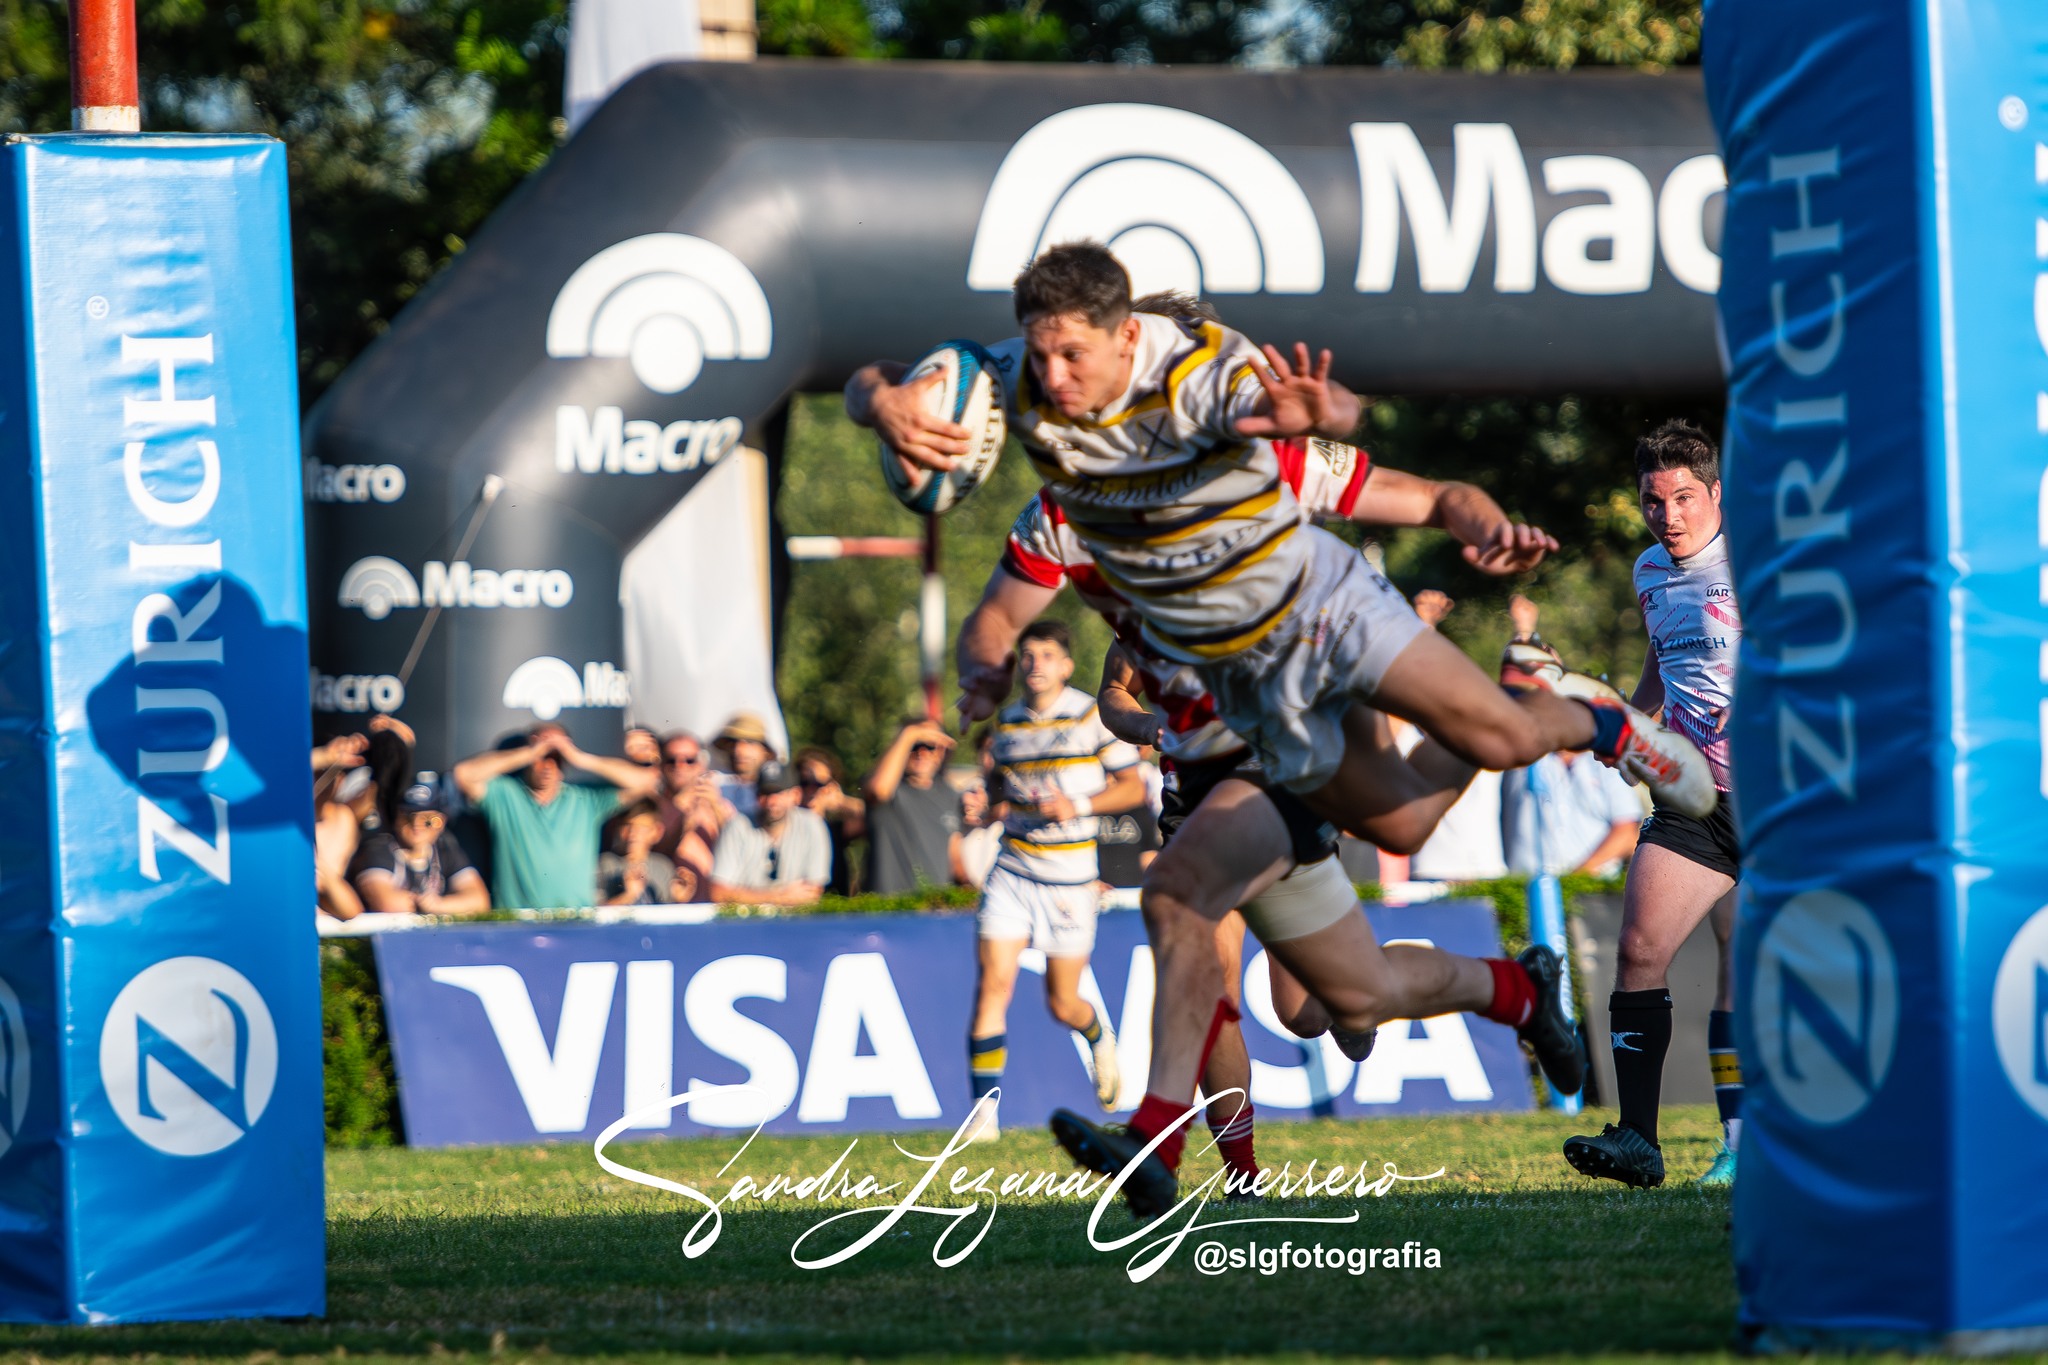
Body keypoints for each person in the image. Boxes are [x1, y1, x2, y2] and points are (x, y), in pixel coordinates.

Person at [1565, 419, 1745, 1190]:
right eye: (1652, 499)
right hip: (1692, 798)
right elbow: (1662, 653)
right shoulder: (1649, 570)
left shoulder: (1763, 560)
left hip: (1779, 795)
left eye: (1682, 497)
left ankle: (1743, 1146)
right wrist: (1626, 722)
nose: (1667, 515)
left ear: (1715, 494)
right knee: (1640, 951)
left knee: (1754, 969)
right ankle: (1639, 1139)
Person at [965, 619, 1146, 1140]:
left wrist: (1078, 804)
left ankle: (1097, 1037)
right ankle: (982, 1115)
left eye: (1047, 654)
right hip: (1013, 869)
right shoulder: (1008, 724)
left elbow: (1133, 787)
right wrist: (984, 808)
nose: (1035, 663)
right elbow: (1001, 791)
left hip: (1070, 879)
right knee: (992, 986)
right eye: (1028, 654)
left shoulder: (1091, 715)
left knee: (1061, 1002)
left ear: (1066, 665)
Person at [453, 723, 661, 910]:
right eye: (542, 757)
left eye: (556, 758)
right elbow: (463, 774)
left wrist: (580, 758)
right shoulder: (505, 795)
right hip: (518, 923)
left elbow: (646, 781)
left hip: (576, 922)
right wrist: (530, 752)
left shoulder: (585, 799)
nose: (548, 765)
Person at [348, 777, 490, 916]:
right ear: (396, 819)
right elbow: (387, 903)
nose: (417, 826)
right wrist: (427, 904)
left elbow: (480, 900)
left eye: (428, 821)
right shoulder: (379, 848)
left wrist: (438, 905)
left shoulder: (444, 849)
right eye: (408, 817)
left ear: (442, 823)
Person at [862, 718, 966, 894]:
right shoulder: (890, 788)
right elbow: (879, 790)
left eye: (930, 745)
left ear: (942, 750)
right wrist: (910, 734)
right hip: (886, 909)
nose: (922, 752)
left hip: (932, 911)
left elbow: (955, 859)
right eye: (915, 745)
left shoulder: (950, 796)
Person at [710, 760, 832, 907]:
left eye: (779, 793)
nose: (772, 801)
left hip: (794, 922)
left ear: (796, 795)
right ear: (755, 796)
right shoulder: (737, 825)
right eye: (765, 793)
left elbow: (812, 893)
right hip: (745, 921)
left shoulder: (813, 825)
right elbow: (718, 892)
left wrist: (745, 896)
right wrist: (778, 897)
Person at [794, 746, 865, 896]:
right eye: (805, 782)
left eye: (819, 784)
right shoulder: (784, 826)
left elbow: (877, 819)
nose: (812, 791)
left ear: (832, 788)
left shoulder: (835, 830)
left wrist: (842, 801)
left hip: (834, 913)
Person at [600, 799, 684, 906]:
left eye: (641, 828)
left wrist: (679, 898)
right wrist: (628, 896)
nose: (632, 834)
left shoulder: (663, 867)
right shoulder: (606, 864)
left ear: (657, 831)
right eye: (627, 826)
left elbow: (668, 913)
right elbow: (593, 913)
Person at [711, 712, 775, 821]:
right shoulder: (714, 784)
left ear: (765, 751)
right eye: (734, 742)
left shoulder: (777, 789)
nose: (739, 750)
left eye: (749, 742)